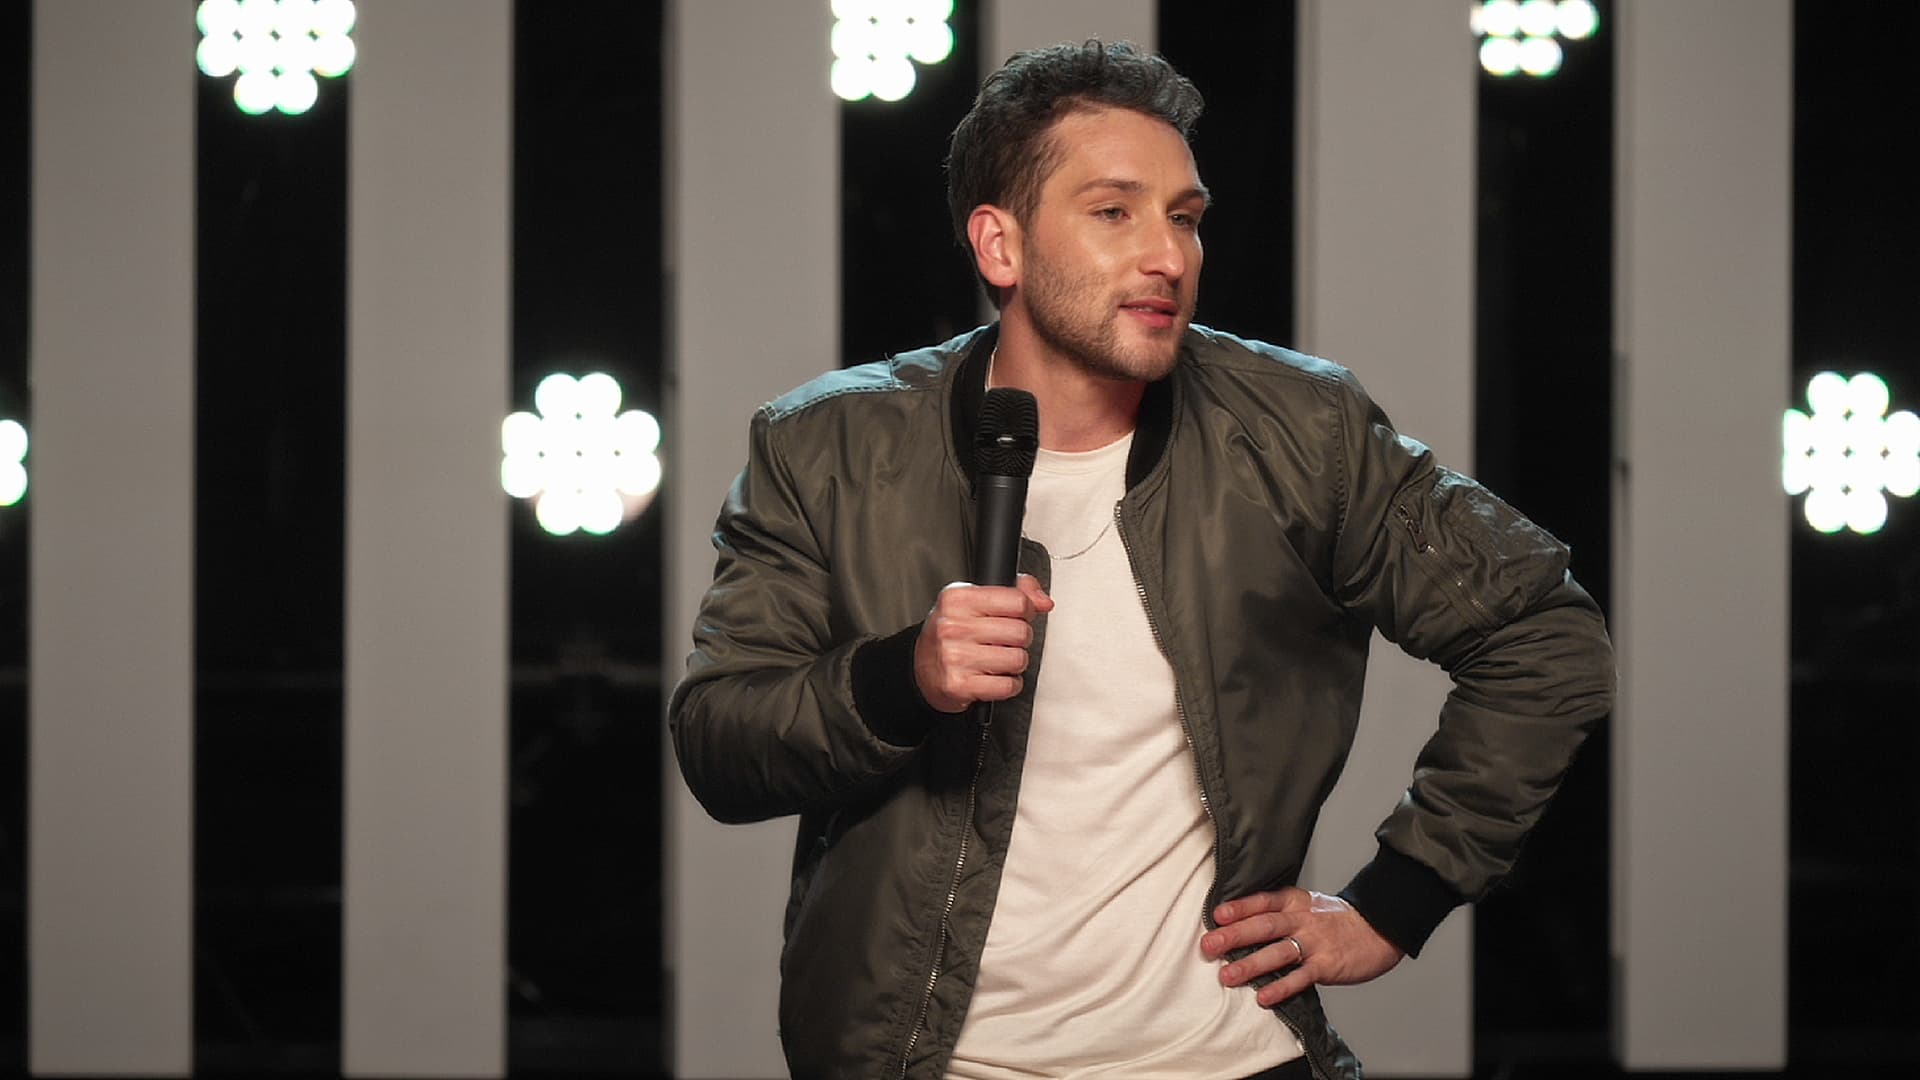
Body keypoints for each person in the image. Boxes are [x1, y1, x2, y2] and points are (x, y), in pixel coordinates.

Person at [670, 40, 1613, 1080]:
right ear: (1000, 245)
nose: (1168, 255)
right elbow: (721, 741)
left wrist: (1400, 900)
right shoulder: (827, 448)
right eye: (1114, 212)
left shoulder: (1304, 435)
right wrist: (904, 678)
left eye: (1185, 217)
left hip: (1227, 1059)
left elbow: (1543, 632)